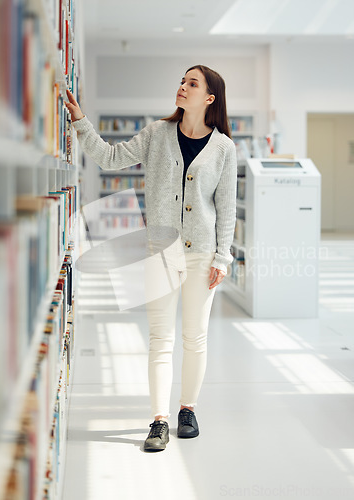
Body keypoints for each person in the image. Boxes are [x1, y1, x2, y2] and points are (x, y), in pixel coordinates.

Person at [65, 64, 237, 452]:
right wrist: (80, 122)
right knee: (160, 339)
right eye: (181, 80)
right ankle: (158, 420)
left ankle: (187, 410)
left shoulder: (224, 147)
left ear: (209, 98)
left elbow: (226, 208)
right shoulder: (157, 134)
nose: (182, 86)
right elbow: (109, 158)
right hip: (159, 252)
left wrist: (222, 258)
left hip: (201, 254)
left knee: (195, 337)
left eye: (192, 83)